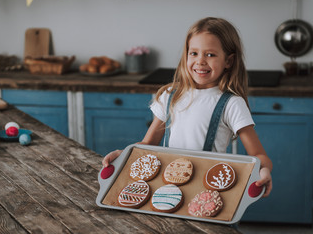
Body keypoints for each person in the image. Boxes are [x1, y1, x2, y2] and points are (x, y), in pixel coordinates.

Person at [102, 17, 272, 197]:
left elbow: (259, 155)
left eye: (210, 54)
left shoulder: (231, 104)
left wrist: (264, 171)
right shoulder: (170, 95)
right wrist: (124, 154)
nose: (200, 61)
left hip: (206, 193)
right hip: (166, 191)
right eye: (194, 53)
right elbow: (147, 145)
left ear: (228, 61)